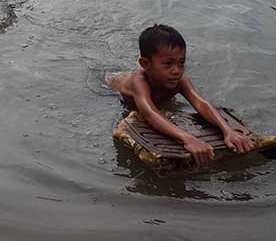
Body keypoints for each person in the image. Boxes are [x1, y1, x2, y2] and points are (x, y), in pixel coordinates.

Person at [107, 24, 255, 167]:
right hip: (112, 89)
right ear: (145, 64)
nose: (177, 71)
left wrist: (227, 131)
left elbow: (200, 103)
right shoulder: (138, 81)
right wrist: (188, 138)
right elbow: (150, 113)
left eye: (181, 62)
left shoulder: (180, 80)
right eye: (168, 64)